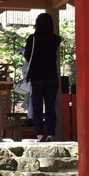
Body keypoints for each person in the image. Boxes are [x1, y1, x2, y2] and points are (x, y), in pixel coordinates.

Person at [23, 12, 61, 141]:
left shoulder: (32, 39)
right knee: (51, 107)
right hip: (52, 77)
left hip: (36, 77)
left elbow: (28, 56)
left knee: (37, 106)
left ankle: (39, 135)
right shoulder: (56, 39)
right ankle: (50, 134)